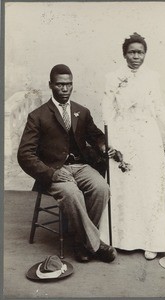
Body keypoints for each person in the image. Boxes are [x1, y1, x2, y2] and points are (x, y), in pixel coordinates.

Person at [100, 33, 165, 260]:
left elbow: (159, 109)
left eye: (140, 52)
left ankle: (152, 241)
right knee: (125, 189)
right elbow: (107, 112)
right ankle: (119, 239)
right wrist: (110, 143)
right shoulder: (112, 78)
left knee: (149, 188)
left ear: (145, 54)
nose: (136, 56)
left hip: (148, 139)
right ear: (124, 54)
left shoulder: (152, 78)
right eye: (132, 52)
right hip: (122, 139)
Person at [17, 64, 117, 263]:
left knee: (101, 188)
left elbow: (96, 136)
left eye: (68, 85)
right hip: (54, 170)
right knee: (72, 193)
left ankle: (82, 241)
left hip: (80, 166)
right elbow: (24, 154)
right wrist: (51, 174)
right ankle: (95, 245)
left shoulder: (82, 111)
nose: (65, 89)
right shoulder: (37, 116)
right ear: (51, 85)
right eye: (60, 85)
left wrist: (103, 145)